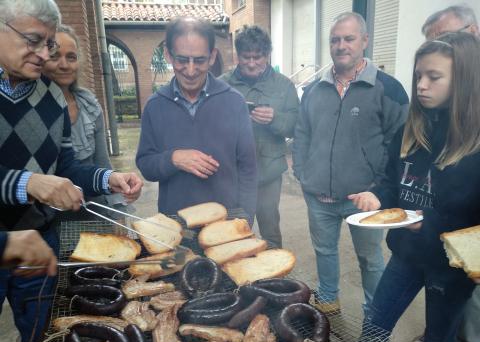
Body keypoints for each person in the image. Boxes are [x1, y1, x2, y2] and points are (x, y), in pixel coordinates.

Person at [0, 0, 143, 342]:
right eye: (33, 39)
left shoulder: (52, 96)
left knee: (41, 335)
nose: (43, 53)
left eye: (48, 42)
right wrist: (28, 182)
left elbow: (63, 166)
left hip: (39, 242)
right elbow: (36, 179)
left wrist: (106, 178)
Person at [350, 32, 480, 342]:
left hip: (451, 268)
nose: (421, 85)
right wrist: (377, 197)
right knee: (374, 327)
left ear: (464, 80)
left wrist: (429, 224)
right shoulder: (412, 127)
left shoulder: (475, 146)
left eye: (434, 77)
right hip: (406, 255)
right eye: (419, 75)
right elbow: (391, 181)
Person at [292, 12, 408, 315]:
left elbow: (401, 144)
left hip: (365, 199)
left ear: (365, 41)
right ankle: (328, 302)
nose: (340, 45)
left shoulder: (388, 89)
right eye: (335, 39)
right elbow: (302, 133)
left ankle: (376, 313)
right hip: (320, 196)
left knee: (370, 259)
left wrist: (382, 188)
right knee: (324, 251)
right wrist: (302, 172)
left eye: (348, 38)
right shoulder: (314, 89)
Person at [406, 5, 480, 342]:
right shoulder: (431, 119)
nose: (422, 86)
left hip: (464, 260)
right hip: (439, 255)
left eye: (433, 77)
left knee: (462, 339)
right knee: (444, 334)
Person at [136, 17, 257, 222]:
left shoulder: (234, 102)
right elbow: (146, 164)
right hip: (174, 223)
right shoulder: (155, 106)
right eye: (182, 60)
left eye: (199, 60)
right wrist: (173, 159)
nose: (191, 70)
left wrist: (245, 217)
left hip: (225, 222)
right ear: (168, 54)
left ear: (212, 57)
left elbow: (248, 168)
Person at [220, 25, 299, 248]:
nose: (252, 63)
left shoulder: (284, 85)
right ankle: (236, 279)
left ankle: (274, 278)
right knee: (234, 230)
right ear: (237, 55)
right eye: (246, 57)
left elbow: (296, 126)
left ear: (267, 55)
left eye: (258, 57)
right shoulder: (221, 85)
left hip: (269, 173)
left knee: (270, 229)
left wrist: (275, 118)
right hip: (233, 173)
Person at [42, 24, 127, 220]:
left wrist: (118, 209)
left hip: (92, 211)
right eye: (55, 56)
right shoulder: (33, 110)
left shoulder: (89, 106)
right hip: (48, 219)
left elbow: (102, 163)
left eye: (71, 57)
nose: (64, 65)